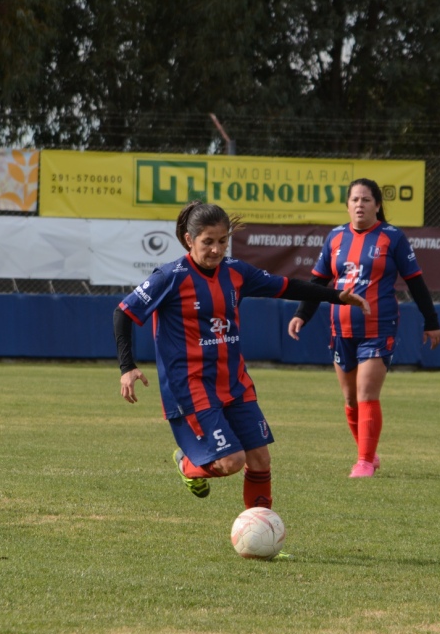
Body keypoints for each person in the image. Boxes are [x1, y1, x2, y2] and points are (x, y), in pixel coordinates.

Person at [114, 200, 370, 525]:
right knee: (232, 461)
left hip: (236, 384)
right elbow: (123, 312)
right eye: (208, 241)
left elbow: (285, 286)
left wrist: (337, 296)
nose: (216, 249)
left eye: (223, 241)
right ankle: (187, 465)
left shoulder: (236, 272)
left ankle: (260, 533)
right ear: (188, 240)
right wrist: (127, 367)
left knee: (260, 458)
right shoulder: (169, 277)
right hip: (192, 389)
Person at [287, 178, 440, 478]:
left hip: (378, 326)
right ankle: (368, 452)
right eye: (355, 199)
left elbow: (416, 282)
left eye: (366, 200)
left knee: (366, 394)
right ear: (347, 205)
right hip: (340, 327)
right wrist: (302, 314)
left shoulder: (392, 237)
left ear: (377, 205)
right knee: (348, 399)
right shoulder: (334, 237)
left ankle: (364, 462)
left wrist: (431, 321)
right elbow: (319, 282)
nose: (360, 204)